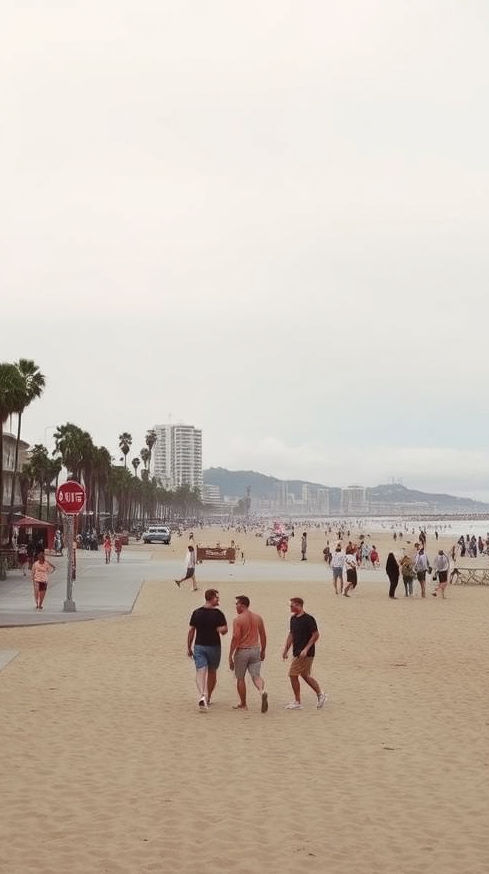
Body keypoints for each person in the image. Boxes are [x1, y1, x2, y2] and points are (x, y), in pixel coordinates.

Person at [282, 597, 327, 710]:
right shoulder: (293, 619)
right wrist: (286, 650)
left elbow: (316, 635)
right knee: (305, 675)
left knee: (293, 674)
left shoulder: (308, 619)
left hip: (306, 653)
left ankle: (298, 701)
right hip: (297, 651)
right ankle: (320, 694)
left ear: (299, 605)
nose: (290, 607)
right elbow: (291, 634)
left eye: (292, 605)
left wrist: (306, 649)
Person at [187, 589, 228, 710]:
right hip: (214, 646)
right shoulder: (218, 614)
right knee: (211, 671)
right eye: (217, 597)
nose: (218, 599)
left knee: (201, 670)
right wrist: (221, 630)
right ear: (211, 598)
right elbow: (225, 630)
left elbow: (191, 630)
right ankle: (207, 696)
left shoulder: (196, 612)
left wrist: (189, 646)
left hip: (199, 645)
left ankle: (203, 695)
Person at [228, 596, 268, 712]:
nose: (236, 606)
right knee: (256, 675)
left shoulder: (238, 620)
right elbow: (263, 635)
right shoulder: (258, 618)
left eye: (237, 604)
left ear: (242, 605)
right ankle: (261, 691)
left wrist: (230, 655)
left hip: (242, 651)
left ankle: (243, 704)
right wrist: (263, 650)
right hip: (255, 649)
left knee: (240, 678)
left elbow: (236, 637)